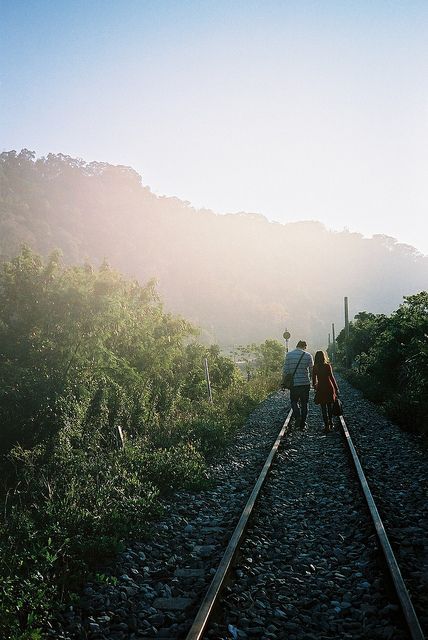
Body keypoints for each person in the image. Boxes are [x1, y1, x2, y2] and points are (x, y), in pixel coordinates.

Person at [282, 340, 314, 429]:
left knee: (294, 401)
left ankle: (297, 416)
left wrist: (283, 382)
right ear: (304, 346)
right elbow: (312, 370)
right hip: (305, 383)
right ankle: (303, 423)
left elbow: (285, 371)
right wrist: (313, 382)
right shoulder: (308, 355)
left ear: (297, 345)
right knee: (305, 403)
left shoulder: (289, 355)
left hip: (294, 384)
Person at [312, 350, 339, 432]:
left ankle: (326, 425)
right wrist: (336, 388)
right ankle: (331, 423)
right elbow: (331, 377)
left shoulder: (315, 367)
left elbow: (313, 380)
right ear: (324, 357)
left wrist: (315, 387)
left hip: (321, 388)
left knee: (323, 408)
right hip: (329, 387)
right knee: (329, 407)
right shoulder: (327, 366)